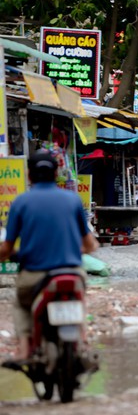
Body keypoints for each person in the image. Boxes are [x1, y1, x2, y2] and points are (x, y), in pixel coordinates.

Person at [0, 150, 99, 361]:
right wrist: (74, 249)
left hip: (34, 275)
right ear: (56, 174)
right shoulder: (72, 200)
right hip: (72, 273)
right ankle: (82, 341)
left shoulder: (21, 202)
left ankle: (25, 348)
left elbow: (7, 249)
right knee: (79, 300)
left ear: (29, 175)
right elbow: (90, 245)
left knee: (20, 303)